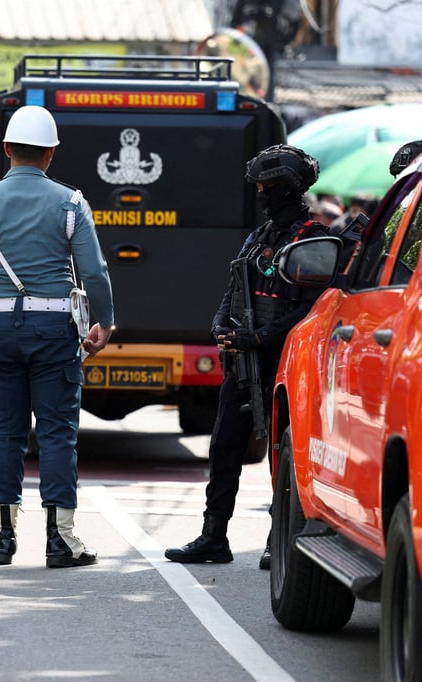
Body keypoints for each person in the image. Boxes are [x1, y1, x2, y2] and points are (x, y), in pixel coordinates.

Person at [0, 105, 115, 568]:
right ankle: (61, 540)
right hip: (55, 331)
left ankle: (2, 540)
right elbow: (95, 271)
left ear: (6, 149)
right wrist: (106, 319)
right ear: (51, 154)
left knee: (4, 432)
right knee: (58, 432)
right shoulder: (71, 204)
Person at [164, 144, 328, 569]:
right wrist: (221, 325)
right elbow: (233, 287)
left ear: (289, 191)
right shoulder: (258, 238)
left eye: (268, 189)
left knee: (281, 453)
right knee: (224, 448)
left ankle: (280, 537)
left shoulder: (313, 241)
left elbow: (307, 309)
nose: (261, 197)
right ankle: (213, 535)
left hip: (284, 366)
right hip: (243, 363)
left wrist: (259, 338)